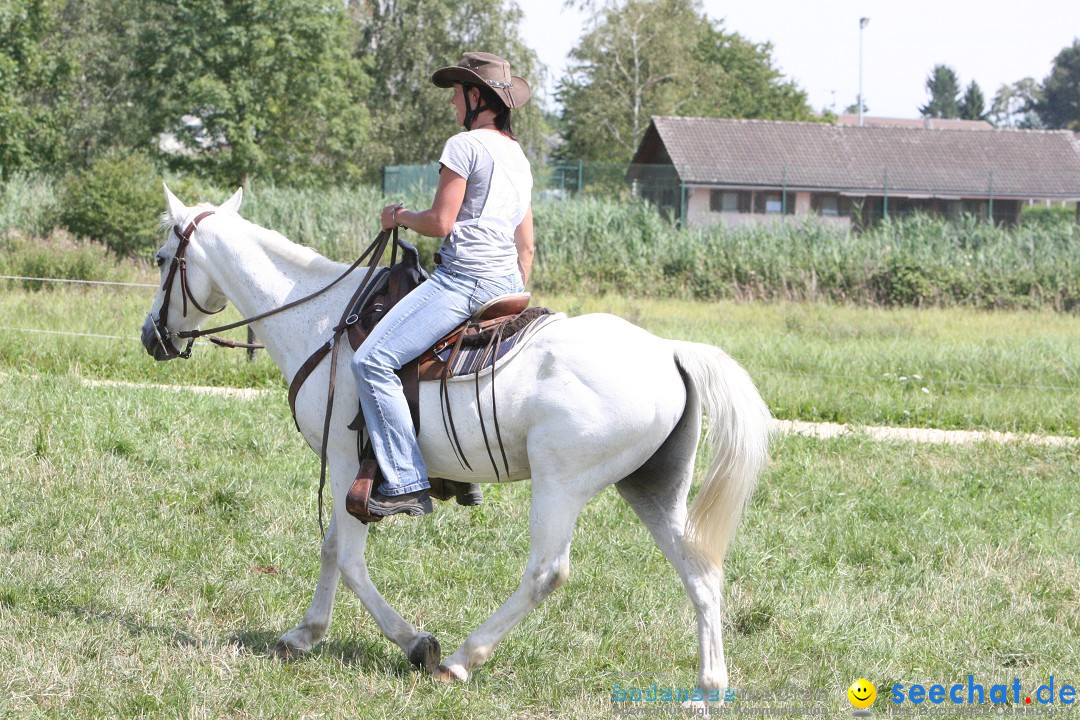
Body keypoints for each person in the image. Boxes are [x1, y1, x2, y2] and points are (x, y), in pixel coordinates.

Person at [351, 51, 535, 518]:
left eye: (456, 93)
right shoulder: (519, 157)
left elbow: (440, 222)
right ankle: (458, 474)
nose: (453, 103)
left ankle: (408, 482)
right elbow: (527, 246)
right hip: (509, 284)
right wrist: (509, 285)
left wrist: (399, 217)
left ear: (477, 96)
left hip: (465, 280)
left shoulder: (464, 145)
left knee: (371, 360)